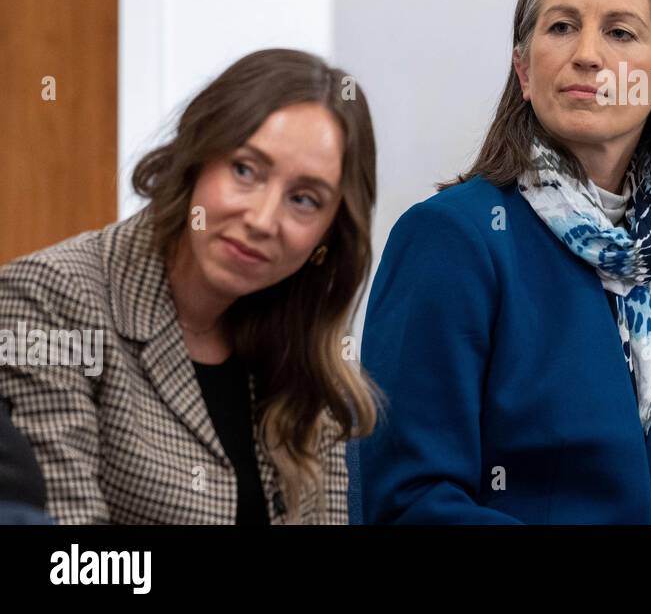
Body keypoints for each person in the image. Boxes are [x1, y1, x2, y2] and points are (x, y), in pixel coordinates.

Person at [358, 0, 651, 524]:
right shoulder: (452, 239)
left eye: (619, 32)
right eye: (561, 27)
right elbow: (411, 501)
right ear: (524, 69)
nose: (586, 54)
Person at [0, 49, 379, 524]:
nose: (263, 220)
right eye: (245, 170)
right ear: (197, 156)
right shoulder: (50, 299)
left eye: (304, 199)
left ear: (330, 232)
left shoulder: (304, 350)